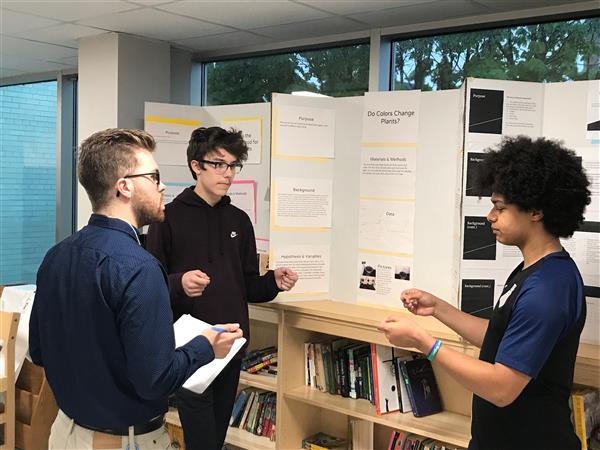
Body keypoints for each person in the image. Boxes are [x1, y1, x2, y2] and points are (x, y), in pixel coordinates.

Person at [29, 128, 243, 450]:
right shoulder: (139, 268)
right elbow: (156, 381)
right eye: (154, 177)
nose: (162, 186)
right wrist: (205, 346)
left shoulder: (57, 256)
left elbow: (40, 351)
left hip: (64, 434)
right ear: (124, 186)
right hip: (123, 441)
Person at [378, 136, 591, 450]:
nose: (490, 216)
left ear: (535, 211)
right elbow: (502, 337)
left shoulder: (548, 289)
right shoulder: (533, 271)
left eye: (500, 207)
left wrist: (423, 342)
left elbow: (502, 389)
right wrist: (438, 308)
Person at [146, 126, 298, 450]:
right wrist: (179, 282)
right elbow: (150, 286)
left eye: (232, 165)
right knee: (202, 440)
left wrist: (273, 281)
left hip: (231, 344)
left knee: (215, 439)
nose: (227, 173)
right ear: (196, 166)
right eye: (218, 164)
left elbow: (247, 285)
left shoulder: (239, 220)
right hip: (189, 347)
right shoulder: (167, 218)